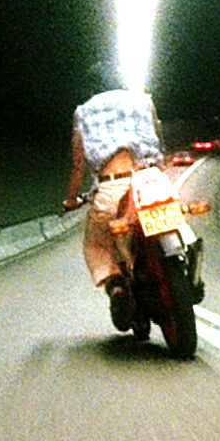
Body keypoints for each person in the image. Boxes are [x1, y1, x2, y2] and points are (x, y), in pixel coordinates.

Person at [63, 86, 165, 331]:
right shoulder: (144, 103)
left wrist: (71, 199)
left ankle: (116, 285)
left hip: (112, 188)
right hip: (150, 179)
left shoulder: (83, 114)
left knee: (97, 245)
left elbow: (78, 165)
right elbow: (159, 139)